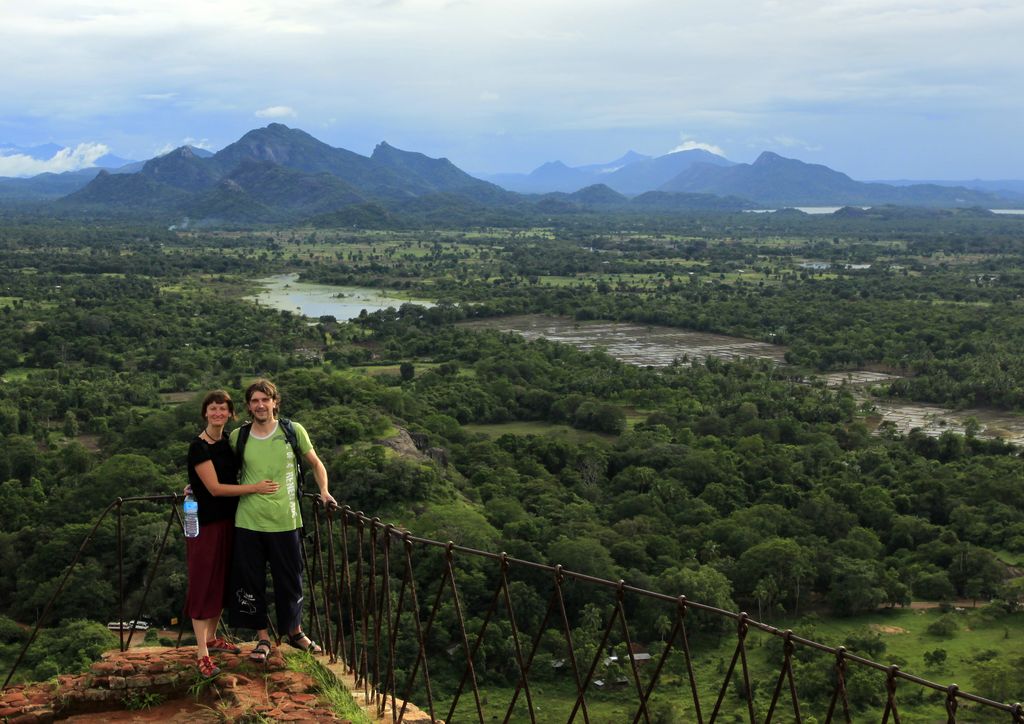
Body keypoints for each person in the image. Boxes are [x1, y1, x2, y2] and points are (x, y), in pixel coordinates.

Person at [228, 378, 336, 662]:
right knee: (251, 581)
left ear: (275, 402)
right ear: (249, 406)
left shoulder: (292, 431)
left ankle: (295, 632)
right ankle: (262, 638)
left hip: (286, 520)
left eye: (265, 399)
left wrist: (324, 491)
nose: (260, 405)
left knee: (290, 579)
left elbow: (315, 463)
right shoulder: (238, 436)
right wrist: (196, 487)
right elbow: (222, 472)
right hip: (248, 521)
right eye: (255, 401)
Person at [186, 390, 279, 678]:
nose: (217, 413)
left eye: (223, 409)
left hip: (231, 521)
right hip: (206, 524)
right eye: (212, 409)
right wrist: (255, 489)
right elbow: (214, 488)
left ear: (230, 413)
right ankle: (202, 653)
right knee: (203, 583)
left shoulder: (229, 442)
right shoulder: (198, 447)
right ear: (205, 413)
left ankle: (212, 638)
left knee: (221, 581)